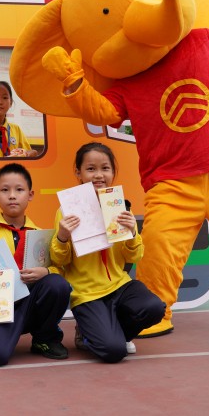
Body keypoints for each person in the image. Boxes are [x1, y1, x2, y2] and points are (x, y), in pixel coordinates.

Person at [52, 142, 165, 363]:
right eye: (90, 169)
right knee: (113, 352)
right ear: (78, 172)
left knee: (154, 308)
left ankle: (116, 332)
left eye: (105, 168)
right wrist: (62, 237)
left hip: (119, 284)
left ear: (113, 172)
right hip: (87, 294)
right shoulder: (66, 211)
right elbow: (59, 260)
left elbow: (134, 257)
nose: (98, 175)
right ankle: (88, 333)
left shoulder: (119, 206)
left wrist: (132, 232)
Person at [0, 163, 70, 367]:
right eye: (4, 190)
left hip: (31, 303)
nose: (12, 196)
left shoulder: (40, 234)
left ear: (30, 195)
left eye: (19, 190)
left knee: (57, 284)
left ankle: (44, 338)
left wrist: (45, 271)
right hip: (0, 305)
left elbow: (60, 270)